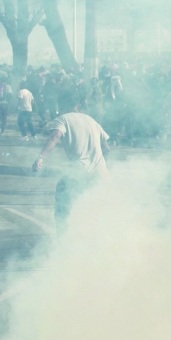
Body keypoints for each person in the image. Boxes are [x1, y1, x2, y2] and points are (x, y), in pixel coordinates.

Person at [32, 90, 110, 233]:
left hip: (79, 173)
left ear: (61, 104)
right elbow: (106, 148)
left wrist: (41, 157)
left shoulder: (62, 119)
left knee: (63, 207)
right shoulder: (92, 120)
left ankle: (64, 242)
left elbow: (54, 137)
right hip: (100, 174)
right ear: (78, 104)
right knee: (98, 210)